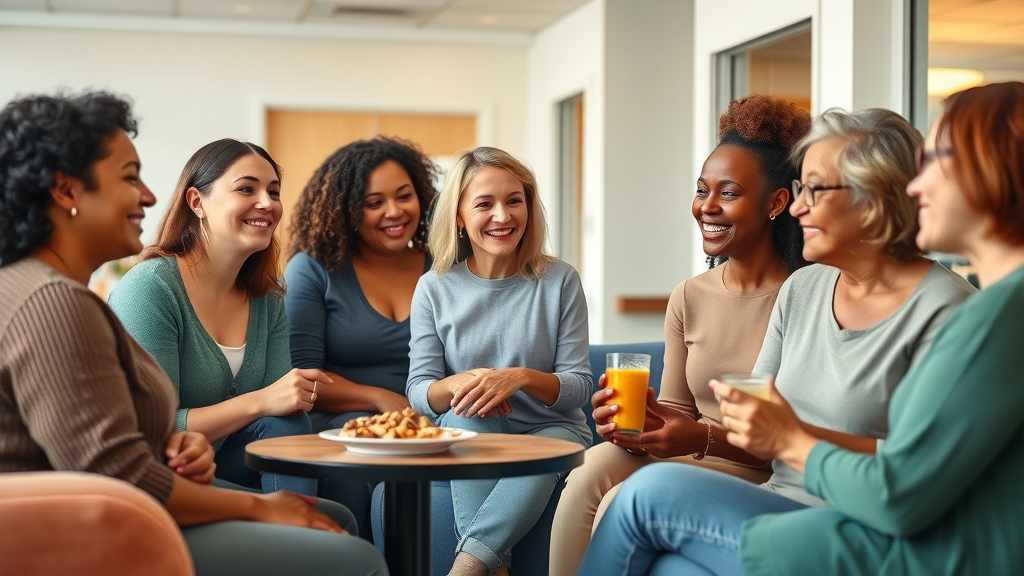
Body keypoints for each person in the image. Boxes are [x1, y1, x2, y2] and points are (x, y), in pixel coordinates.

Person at [576, 105, 979, 576]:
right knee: (650, 522)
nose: (797, 207)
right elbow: (757, 424)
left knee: (644, 497)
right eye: (799, 189)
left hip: (861, 524)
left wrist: (788, 434)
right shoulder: (803, 288)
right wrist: (661, 423)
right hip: (777, 500)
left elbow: (923, 471)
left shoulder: (949, 311)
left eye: (815, 190)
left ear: (873, 199)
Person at [0, 90, 387, 576]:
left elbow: (113, 438)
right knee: (358, 559)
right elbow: (117, 472)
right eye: (129, 177)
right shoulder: (55, 302)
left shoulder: (45, 291)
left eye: (273, 191)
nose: (147, 196)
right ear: (65, 191)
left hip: (120, 501)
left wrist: (177, 442)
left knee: (336, 517)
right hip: (85, 530)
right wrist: (259, 507)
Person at [549, 94, 810, 576]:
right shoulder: (690, 295)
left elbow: (783, 438)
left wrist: (699, 437)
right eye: (702, 190)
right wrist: (638, 425)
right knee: (590, 468)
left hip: (765, 470)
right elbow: (677, 411)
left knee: (620, 500)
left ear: (776, 202)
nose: (706, 207)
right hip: (697, 452)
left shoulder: (806, 296)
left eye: (728, 193)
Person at [407, 146, 591, 576]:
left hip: (554, 429)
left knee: (543, 453)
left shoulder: (560, 280)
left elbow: (579, 386)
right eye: (484, 204)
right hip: (475, 422)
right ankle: (496, 568)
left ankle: (469, 568)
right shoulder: (433, 288)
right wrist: (460, 383)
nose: (503, 216)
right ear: (459, 216)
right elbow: (419, 392)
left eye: (514, 201)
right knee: (464, 417)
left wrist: (520, 378)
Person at [108, 139, 327, 497]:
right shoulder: (150, 289)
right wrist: (259, 401)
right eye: (246, 189)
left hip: (229, 467)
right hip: (163, 480)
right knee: (333, 515)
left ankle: (298, 523)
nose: (267, 203)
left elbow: (281, 409)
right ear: (197, 202)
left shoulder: (268, 297)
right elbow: (151, 429)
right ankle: (296, 527)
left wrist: (283, 399)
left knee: (290, 425)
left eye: (273, 192)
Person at [284, 137, 438, 533]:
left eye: (404, 196)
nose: (394, 211)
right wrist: (379, 398)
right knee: (353, 455)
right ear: (347, 210)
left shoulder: (445, 264)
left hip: (429, 418)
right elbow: (302, 376)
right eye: (374, 203)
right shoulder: (312, 269)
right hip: (343, 420)